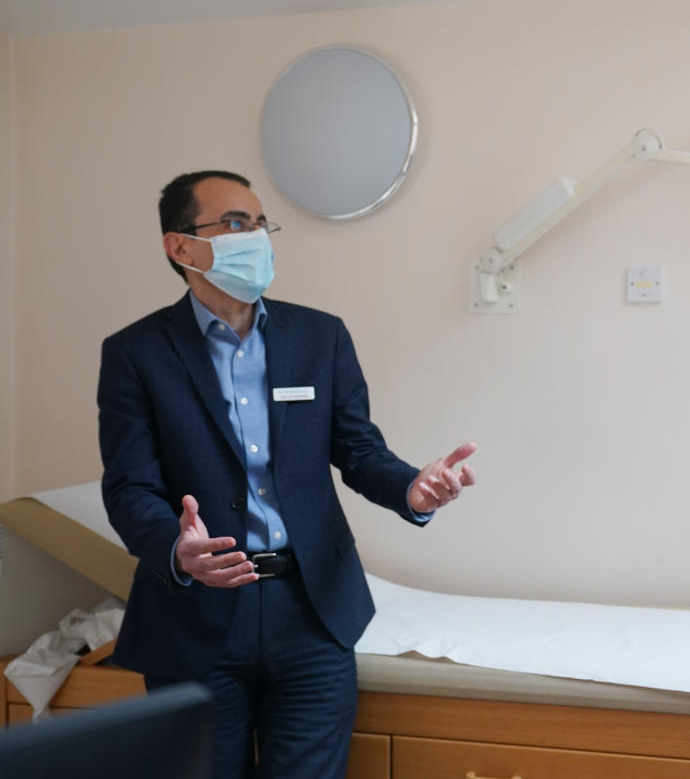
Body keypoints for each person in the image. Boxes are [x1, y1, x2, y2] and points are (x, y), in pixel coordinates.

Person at [97, 170, 477, 779]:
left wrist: (412, 487)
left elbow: (357, 450)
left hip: (312, 610)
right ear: (180, 246)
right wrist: (176, 548)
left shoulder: (318, 337)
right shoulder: (136, 353)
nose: (256, 237)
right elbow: (129, 485)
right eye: (236, 223)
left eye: (260, 223)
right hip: (195, 616)